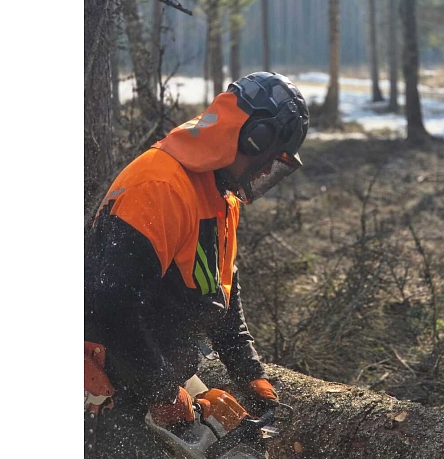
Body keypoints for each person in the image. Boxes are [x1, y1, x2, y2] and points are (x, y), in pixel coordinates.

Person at [85, 72, 309, 458]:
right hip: (104, 384)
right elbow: (110, 306)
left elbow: (220, 301)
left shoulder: (221, 197)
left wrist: (252, 377)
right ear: (252, 138)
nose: (262, 173)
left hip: (154, 373)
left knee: (242, 443)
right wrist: (163, 393)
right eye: (266, 161)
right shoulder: (160, 186)